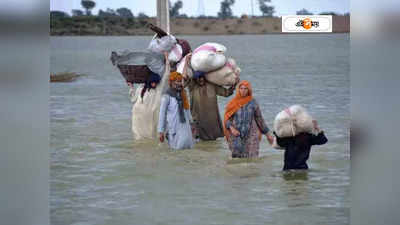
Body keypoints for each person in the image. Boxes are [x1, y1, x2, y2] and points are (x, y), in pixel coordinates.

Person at [181, 53, 236, 141]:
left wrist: (234, 84)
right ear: (195, 79)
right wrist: (186, 62)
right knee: (197, 141)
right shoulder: (192, 86)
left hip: (212, 121)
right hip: (198, 119)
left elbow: (226, 93)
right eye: (198, 78)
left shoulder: (212, 85)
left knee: (212, 143)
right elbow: (183, 77)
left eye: (202, 77)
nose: (201, 79)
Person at [223, 80, 274, 158]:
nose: (243, 91)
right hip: (236, 133)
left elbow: (259, 119)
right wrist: (232, 129)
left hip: (251, 133)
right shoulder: (233, 103)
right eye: (241, 88)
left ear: (249, 90)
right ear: (238, 90)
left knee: (252, 157)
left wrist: (268, 134)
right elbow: (227, 119)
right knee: (236, 157)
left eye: (245, 89)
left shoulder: (253, 102)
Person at [158, 71, 194, 150]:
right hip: (173, 127)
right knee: (176, 149)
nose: (179, 83)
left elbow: (187, 109)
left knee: (187, 148)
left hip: (185, 126)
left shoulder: (183, 94)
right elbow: (162, 114)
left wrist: (192, 123)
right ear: (171, 82)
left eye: (180, 81)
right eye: (177, 81)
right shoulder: (166, 96)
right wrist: (161, 131)